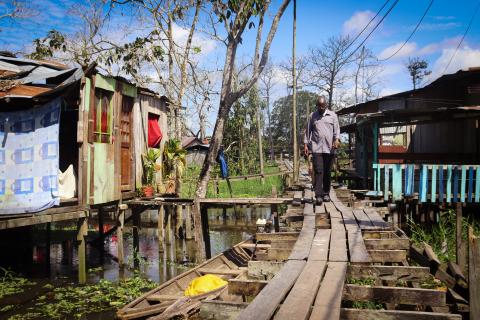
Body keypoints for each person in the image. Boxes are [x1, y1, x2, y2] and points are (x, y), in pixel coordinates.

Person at [304, 95, 340, 205]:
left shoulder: (333, 116)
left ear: (326, 106)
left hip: (329, 148)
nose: (320, 109)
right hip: (316, 148)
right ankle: (318, 195)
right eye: (319, 107)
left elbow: (337, 130)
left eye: (322, 107)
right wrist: (305, 144)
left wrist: (337, 140)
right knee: (319, 171)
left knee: (327, 172)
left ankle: (326, 194)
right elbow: (308, 131)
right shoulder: (312, 116)